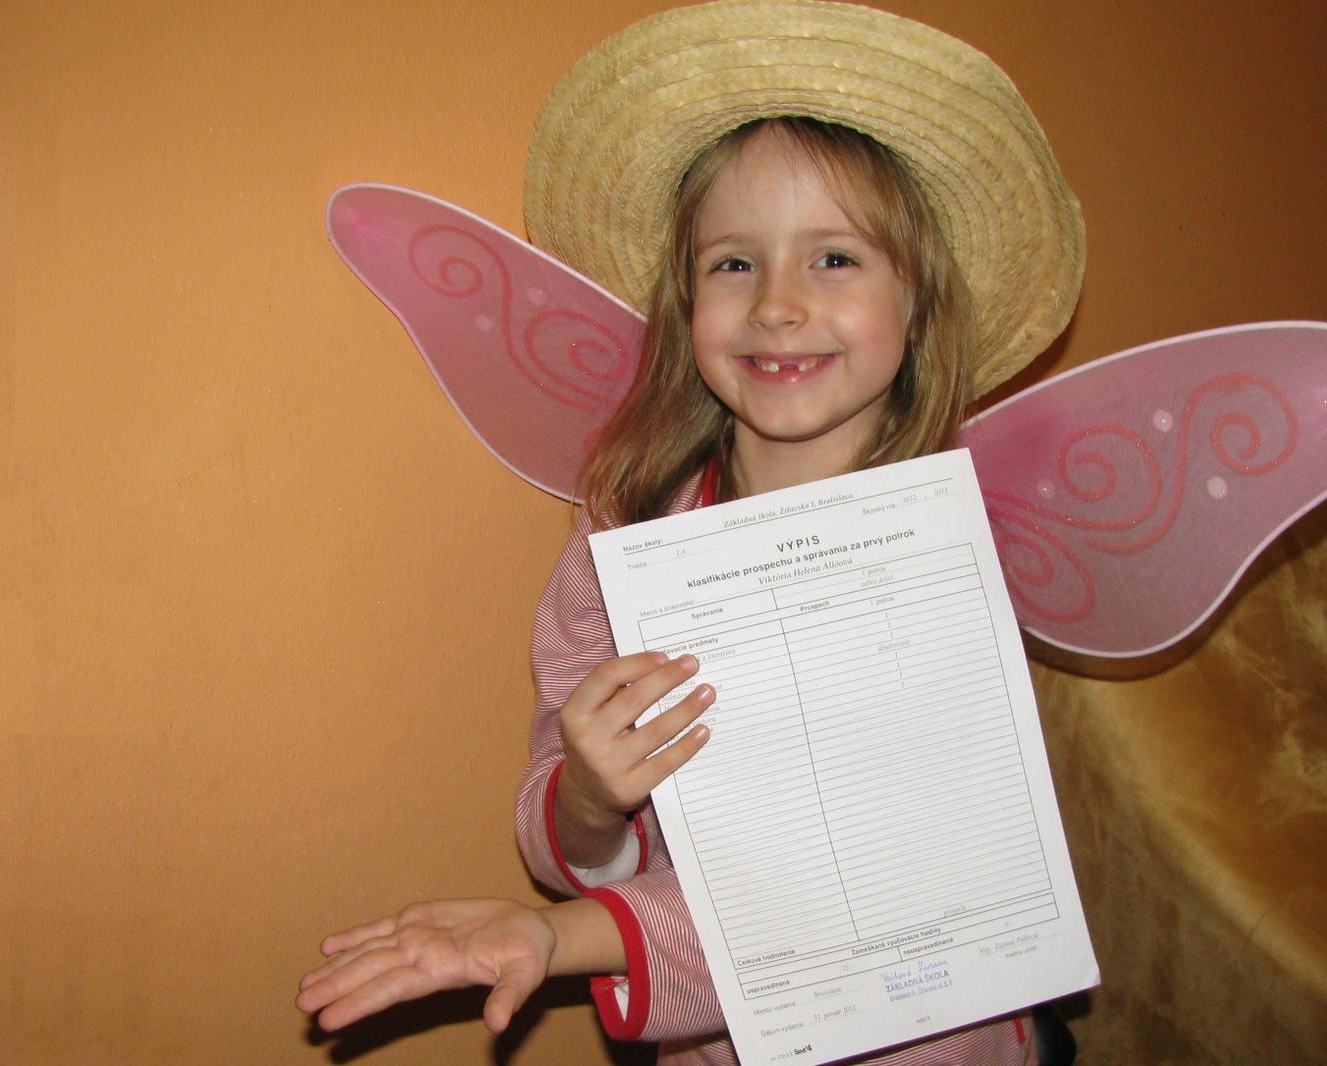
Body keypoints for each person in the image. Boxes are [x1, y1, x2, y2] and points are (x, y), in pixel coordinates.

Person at [298, 2, 1083, 1063]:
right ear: (682, 301)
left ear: (921, 302)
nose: (777, 305)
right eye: (733, 264)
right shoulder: (624, 531)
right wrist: (587, 797)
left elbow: (867, 892)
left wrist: (563, 937)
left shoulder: (950, 550)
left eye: (835, 259)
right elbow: (559, 820)